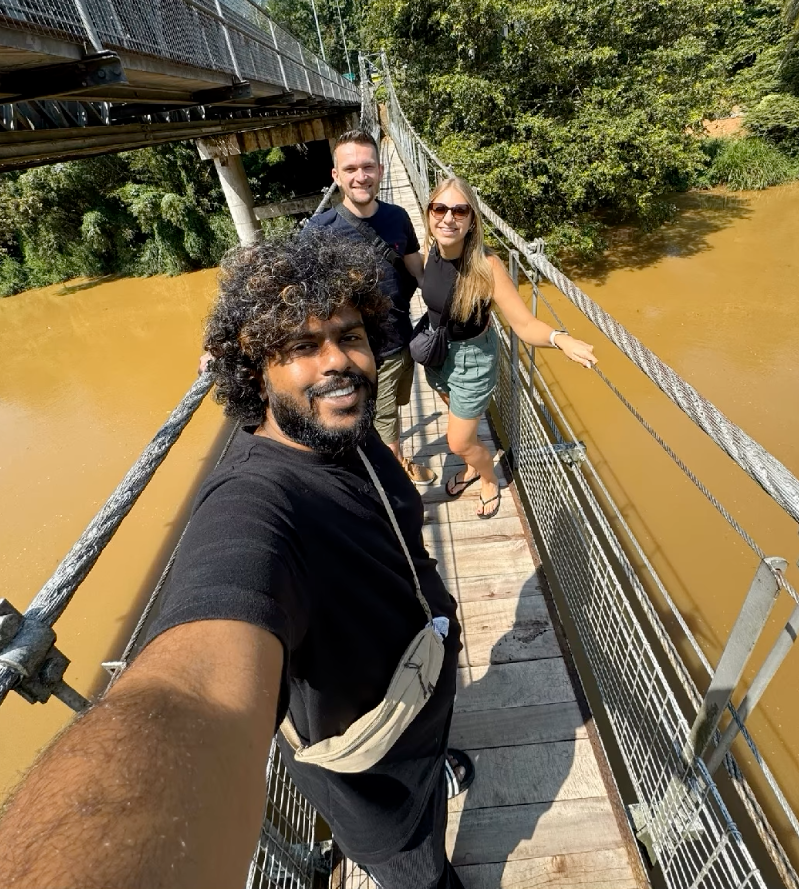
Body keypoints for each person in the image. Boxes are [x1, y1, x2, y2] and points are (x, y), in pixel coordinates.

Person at [0, 231, 466, 889]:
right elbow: (192, 693)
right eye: (302, 346)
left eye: (350, 336)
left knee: (431, 786)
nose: (338, 361)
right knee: (418, 867)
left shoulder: (343, 428)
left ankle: (437, 771)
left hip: (424, 695)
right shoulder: (254, 500)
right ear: (254, 369)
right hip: (374, 769)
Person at [422, 176, 597, 519]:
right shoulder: (431, 250)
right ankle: (471, 465)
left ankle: (488, 477)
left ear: (472, 219)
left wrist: (559, 338)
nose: (448, 218)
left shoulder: (487, 266)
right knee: (459, 422)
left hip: (472, 361)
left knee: (458, 442)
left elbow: (524, 324)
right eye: (439, 209)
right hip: (438, 354)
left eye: (460, 211)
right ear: (429, 213)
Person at [307, 128, 436, 486]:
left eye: (367, 167)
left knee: (389, 411)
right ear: (336, 176)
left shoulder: (398, 217)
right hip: (352, 352)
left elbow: (417, 270)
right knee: (378, 419)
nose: (360, 176)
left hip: (398, 341)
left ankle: (382, 467)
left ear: (380, 170)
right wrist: (225, 343)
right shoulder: (318, 230)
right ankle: (395, 483)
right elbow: (291, 292)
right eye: (350, 169)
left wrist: (459, 301)